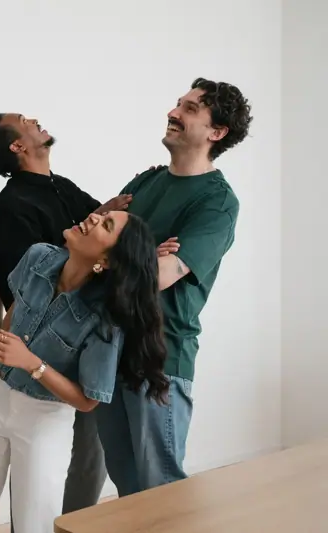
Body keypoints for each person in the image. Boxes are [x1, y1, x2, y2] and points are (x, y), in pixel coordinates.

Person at [0, 112, 178, 516]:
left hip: (58, 382)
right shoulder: (15, 210)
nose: (92, 220)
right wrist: (6, 346)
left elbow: (102, 237)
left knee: (72, 475)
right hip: (24, 383)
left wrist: (137, 254)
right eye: (25, 120)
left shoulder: (60, 188)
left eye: (101, 222)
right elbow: (26, 298)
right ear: (17, 146)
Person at [0, 209, 169, 533]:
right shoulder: (38, 257)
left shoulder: (104, 318)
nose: (95, 218)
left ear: (106, 261)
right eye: (103, 215)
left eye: (106, 225)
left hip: (44, 416)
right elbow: (17, 308)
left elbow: (87, 401)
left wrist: (30, 362)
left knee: (33, 521)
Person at [96, 77, 253, 495]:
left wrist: (120, 258)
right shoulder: (145, 183)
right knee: (126, 486)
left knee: (160, 489)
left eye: (189, 108)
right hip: (108, 350)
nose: (173, 112)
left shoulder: (217, 202)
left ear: (216, 132)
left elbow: (161, 277)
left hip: (160, 359)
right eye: (177, 104)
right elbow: (91, 246)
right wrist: (144, 254)